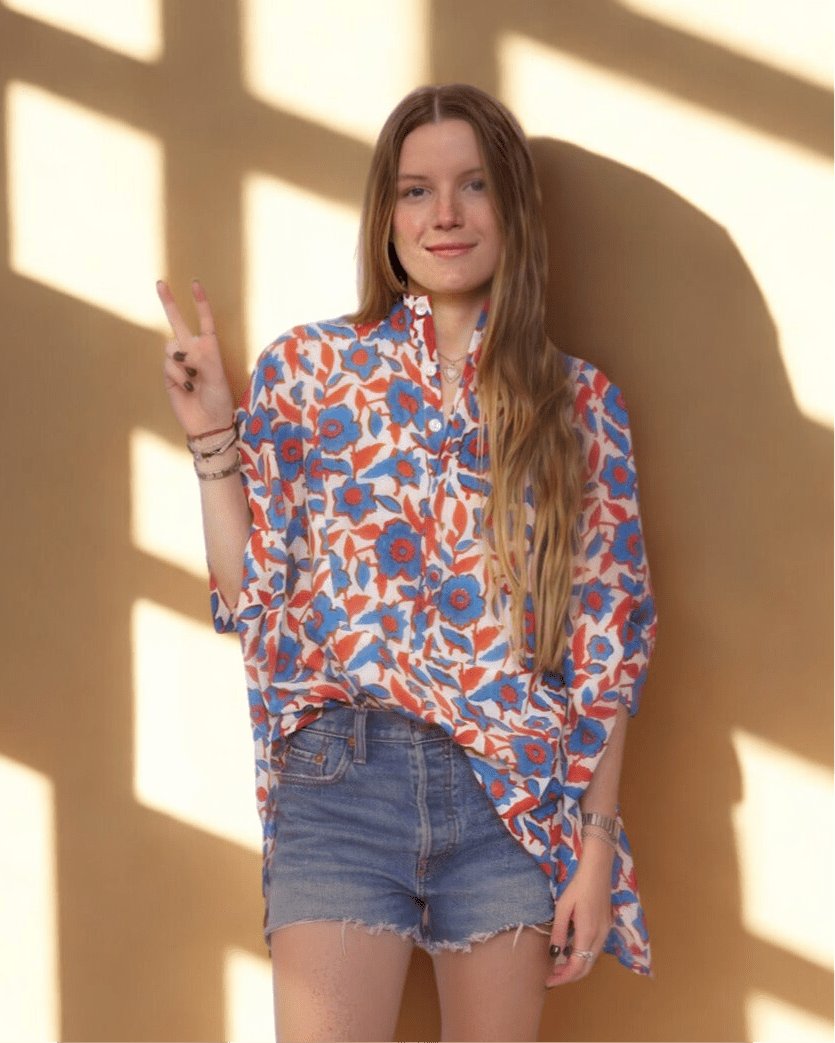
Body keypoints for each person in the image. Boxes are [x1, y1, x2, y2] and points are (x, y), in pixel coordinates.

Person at [156, 83, 655, 1043]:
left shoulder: (580, 404)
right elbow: (251, 598)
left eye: (474, 184)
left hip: (510, 797)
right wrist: (214, 433)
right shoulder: (310, 370)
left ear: (513, 206)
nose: (445, 214)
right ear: (386, 216)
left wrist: (594, 847)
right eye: (416, 190)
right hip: (340, 779)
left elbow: (610, 645)